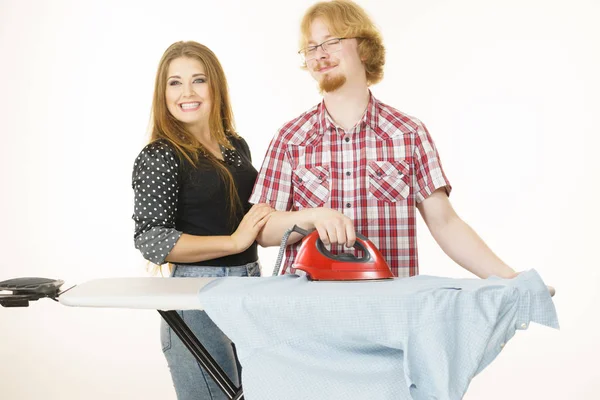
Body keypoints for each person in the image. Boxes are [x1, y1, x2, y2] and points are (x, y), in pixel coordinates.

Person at [250, 0, 554, 295]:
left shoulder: (408, 134)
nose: (320, 54)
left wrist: (510, 278)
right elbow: (262, 231)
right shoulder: (289, 138)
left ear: (364, 49)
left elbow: (445, 223)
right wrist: (315, 216)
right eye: (312, 47)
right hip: (311, 308)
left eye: (331, 41)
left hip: (390, 308)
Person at [131, 41, 272, 400]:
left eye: (199, 80)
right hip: (196, 295)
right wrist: (232, 243)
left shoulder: (235, 146)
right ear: (162, 92)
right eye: (174, 83)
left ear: (216, 87)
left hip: (249, 289)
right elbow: (152, 239)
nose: (187, 93)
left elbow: (255, 216)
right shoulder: (161, 155)